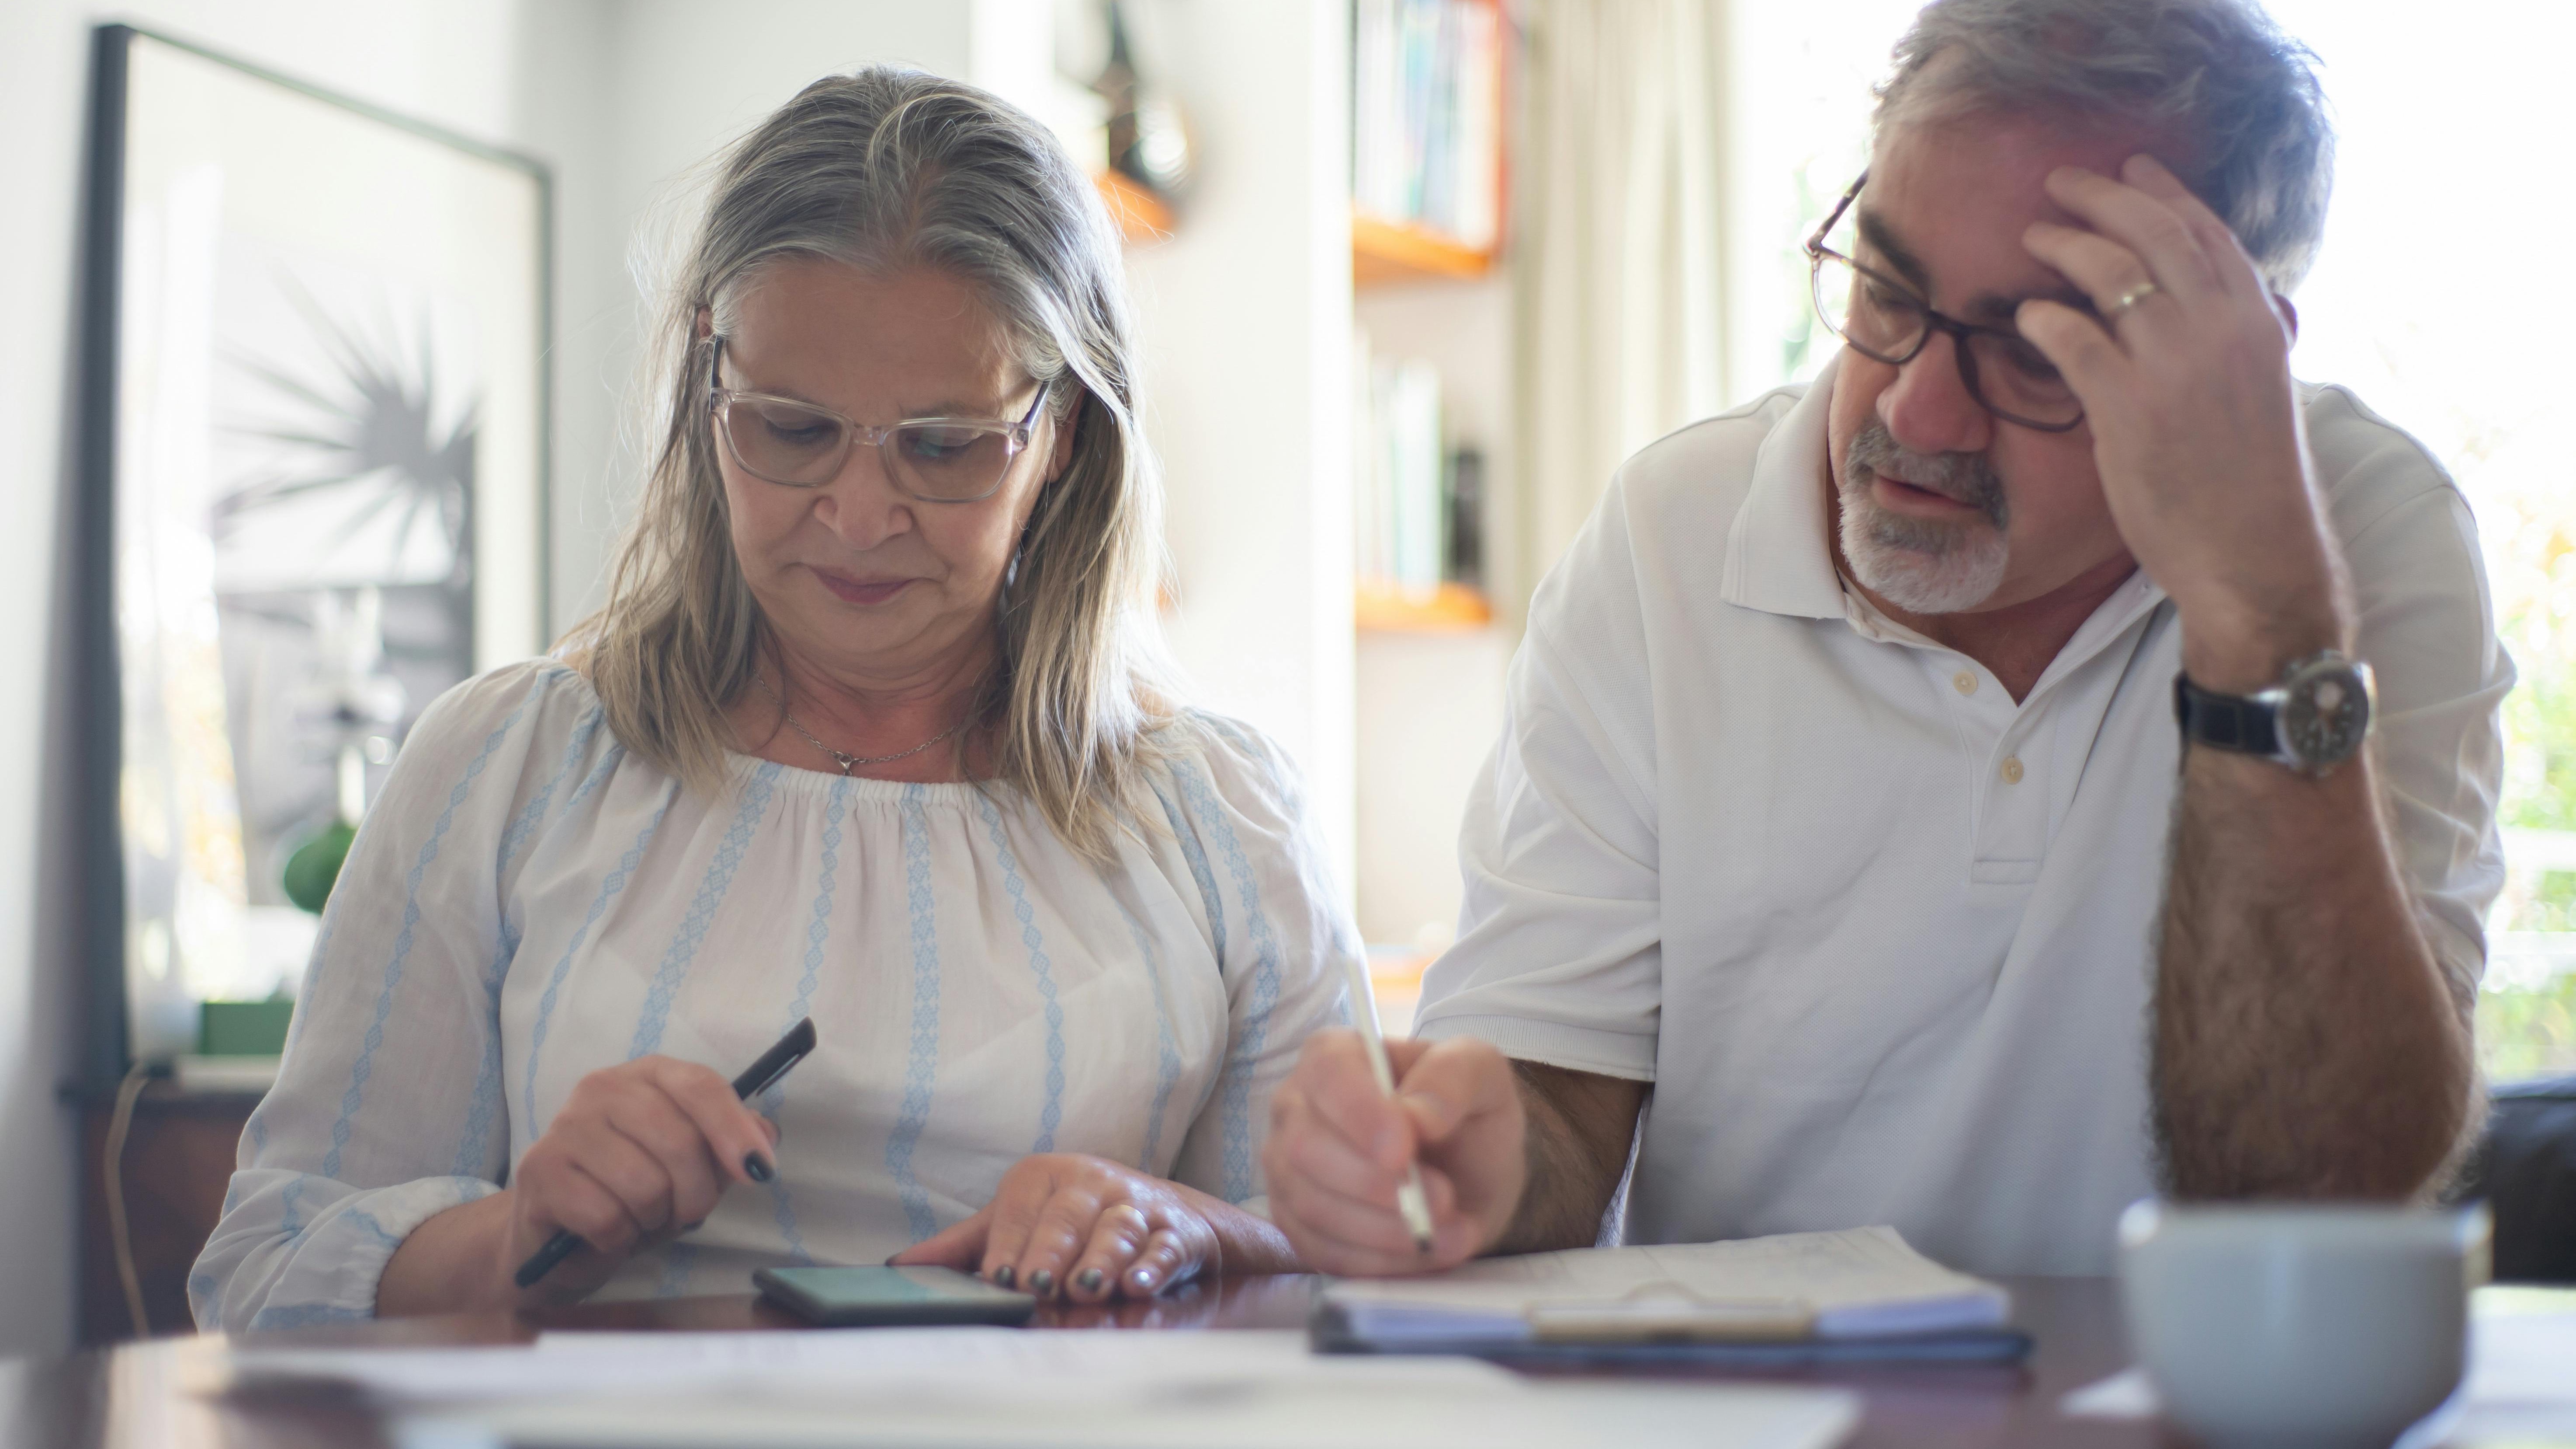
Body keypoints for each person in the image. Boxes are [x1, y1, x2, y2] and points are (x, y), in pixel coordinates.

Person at [1265, 0, 2507, 1277]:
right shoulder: (1671, 535)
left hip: (2185, 1381)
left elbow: (2321, 1182)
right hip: (1753, 1381)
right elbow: (1556, 1104)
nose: (1916, 410)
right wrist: (1469, 1165)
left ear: (2231, 362)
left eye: (2036, 352)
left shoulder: (2355, 535)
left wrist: (2262, 614)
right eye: (1887, 292)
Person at [193, 67, 1354, 1330]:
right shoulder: (505, 768)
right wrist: (521, 1237)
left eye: (944, 446)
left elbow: (1363, 1279)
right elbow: (263, 1274)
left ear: (1062, 432)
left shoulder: (1223, 820)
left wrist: (1196, 1229)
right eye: (792, 430)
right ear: (709, 384)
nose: (857, 516)